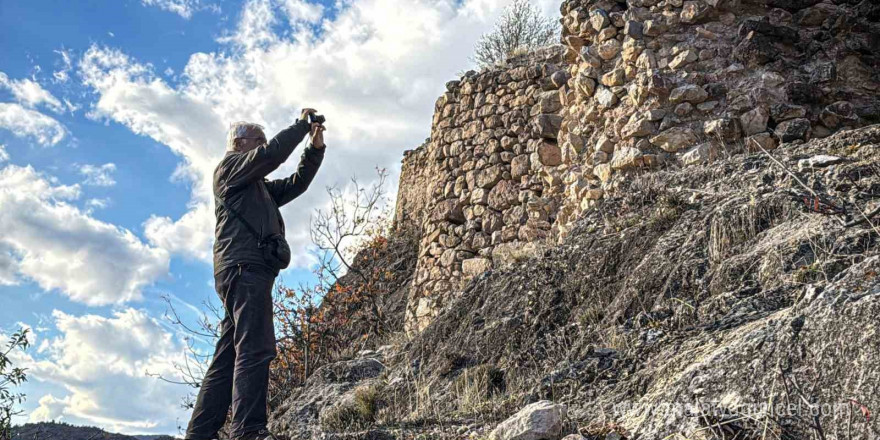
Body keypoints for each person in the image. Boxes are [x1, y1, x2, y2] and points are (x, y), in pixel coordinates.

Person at [185, 109, 326, 440]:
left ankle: (200, 433)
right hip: (244, 268)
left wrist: (314, 149)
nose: (263, 146)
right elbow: (273, 155)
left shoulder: (255, 186)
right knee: (256, 346)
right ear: (238, 143)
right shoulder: (229, 169)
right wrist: (300, 126)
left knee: (228, 356)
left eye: (263, 140)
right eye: (257, 141)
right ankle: (248, 430)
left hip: (242, 268)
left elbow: (296, 184)